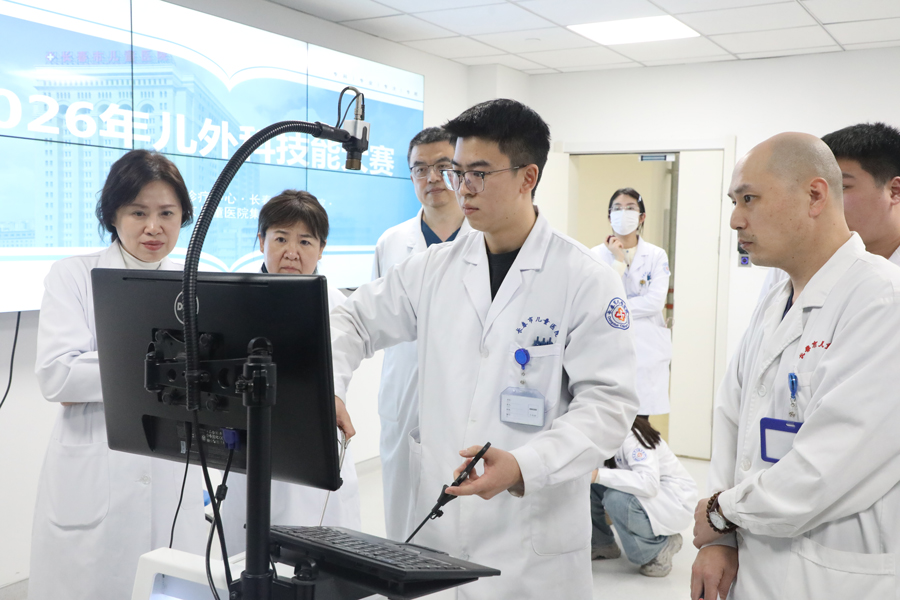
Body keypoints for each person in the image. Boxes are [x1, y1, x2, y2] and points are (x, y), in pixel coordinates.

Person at [329, 98, 639, 599]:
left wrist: (526, 464)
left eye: (478, 173)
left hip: (529, 540)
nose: (462, 187)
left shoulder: (584, 278)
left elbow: (608, 405)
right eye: (458, 172)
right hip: (440, 525)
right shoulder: (435, 268)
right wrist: (332, 386)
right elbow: (352, 319)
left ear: (527, 177)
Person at [690, 132, 900, 600]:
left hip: (832, 576)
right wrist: (721, 538)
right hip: (753, 562)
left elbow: (828, 467)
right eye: (733, 202)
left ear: (815, 196)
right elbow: (731, 419)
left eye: (749, 199)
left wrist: (721, 513)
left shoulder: (884, 301)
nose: (735, 219)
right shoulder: (777, 299)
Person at [30, 150, 208, 600]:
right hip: (96, 466)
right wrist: (165, 368)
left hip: (174, 469)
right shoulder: (74, 275)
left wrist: (123, 368)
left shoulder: (198, 282)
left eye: (167, 213)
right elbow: (58, 375)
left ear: (183, 217)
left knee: (176, 581)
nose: (154, 227)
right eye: (138, 212)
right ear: (113, 215)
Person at [221, 190, 361, 551]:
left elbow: (338, 365)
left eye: (305, 241)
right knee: (246, 552)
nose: (291, 252)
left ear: (322, 248)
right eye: (281, 238)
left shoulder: (339, 306)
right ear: (261, 241)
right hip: (247, 443)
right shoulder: (233, 298)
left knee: (318, 552)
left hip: (313, 444)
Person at [371, 126, 469, 540]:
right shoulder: (391, 243)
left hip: (467, 394)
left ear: (461, 171)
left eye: (443, 166)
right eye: (419, 169)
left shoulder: (486, 239)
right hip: (404, 393)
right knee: (402, 512)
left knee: (464, 517)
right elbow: (374, 318)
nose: (432, 178)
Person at [756, 122, 900, 300]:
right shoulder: (793, 264)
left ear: (895, 191)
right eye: (815, 191)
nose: (822, 201)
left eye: (841, 187)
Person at [592, 188, 672, 416]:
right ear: (609, 216)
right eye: (617, 208)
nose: (623, 213)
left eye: (630, 208)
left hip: (646, 349)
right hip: (608, 348)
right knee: (608, 418)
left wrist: (614, 308)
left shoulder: (656, 255)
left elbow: (655, 302)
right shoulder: (595, 255)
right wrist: (618, 261)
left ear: (642, 217)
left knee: (641, 423)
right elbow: (597, 300)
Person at [590, 416, 697, 577]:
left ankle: (659, 549)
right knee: (586, 485)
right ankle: (603, 544)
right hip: (648, 493)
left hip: (673, 500)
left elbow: (649, 483)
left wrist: (598, 474)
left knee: (616, 499)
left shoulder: (634, 437)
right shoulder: (600, 435)